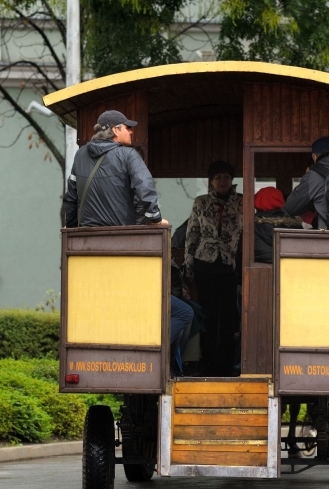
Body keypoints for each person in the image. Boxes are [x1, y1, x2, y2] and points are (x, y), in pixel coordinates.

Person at [62, 109, 193, 356]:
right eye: (127, 127)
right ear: (114, 130)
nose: (131, 131)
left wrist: (72, 232)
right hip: (122, 244)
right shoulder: (127, 155)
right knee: (144, 302)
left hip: (89, 249)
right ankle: (148, 351)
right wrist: (154, 218)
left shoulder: (80, 155)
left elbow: (71, 198)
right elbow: (145, 187)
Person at [184, 160, 243, 377]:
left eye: (226, 177)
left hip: (230, 267)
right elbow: (192, 234)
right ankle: (207, 362)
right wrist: (188, 267)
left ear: (232, 180)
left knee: (229, 317)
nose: (222, 181)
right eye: (218, 177)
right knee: (208, 314)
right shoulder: (200, 202)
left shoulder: (241, 202)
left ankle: (226, 365)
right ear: (211, 181)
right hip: (204, 264)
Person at [253, 187, 303, 263]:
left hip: (257, 272)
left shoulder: (251, 226)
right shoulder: (294, 224)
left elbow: (241, 255)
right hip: (291, 270)